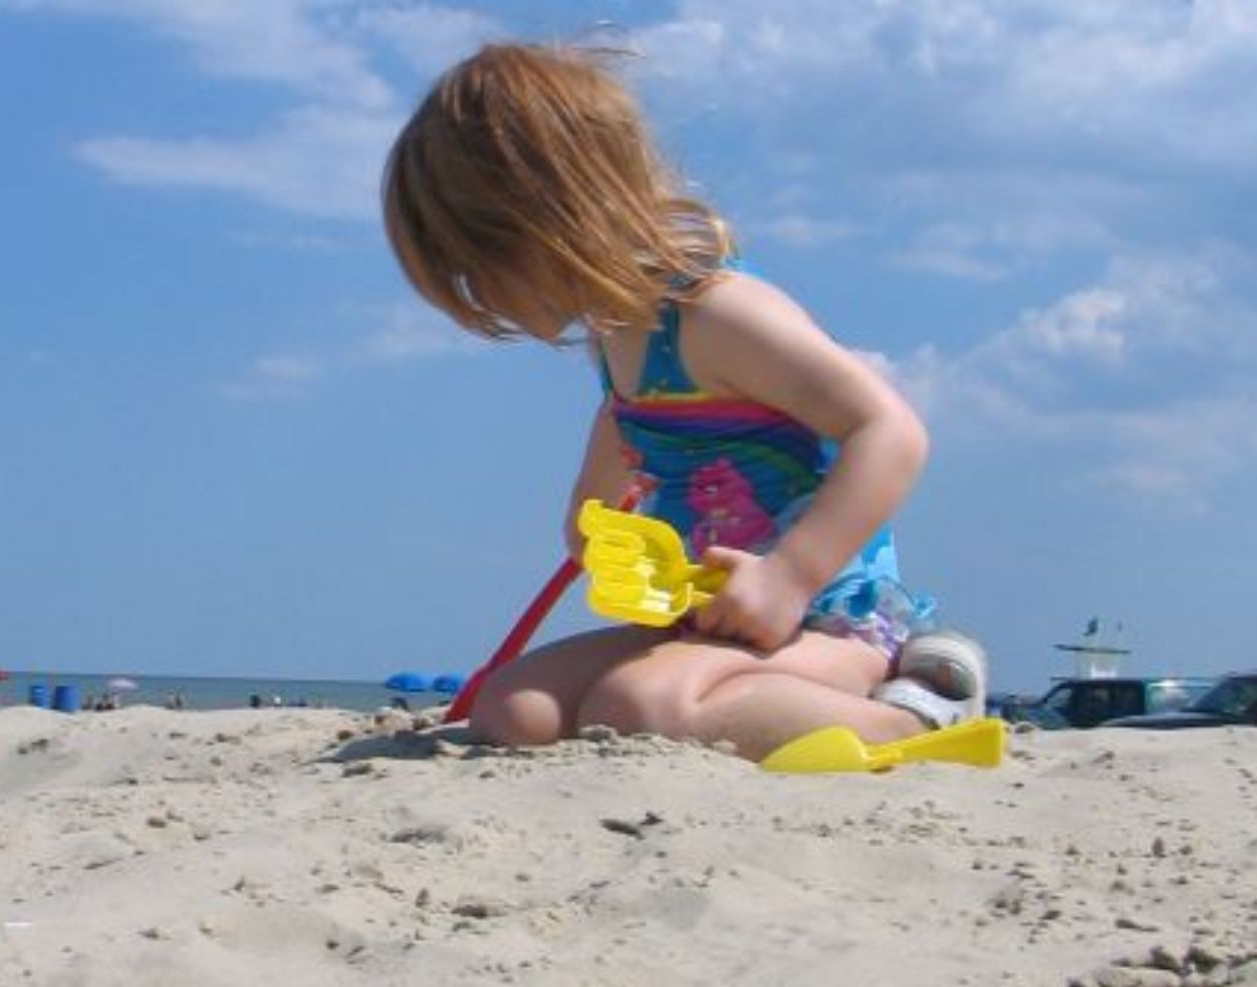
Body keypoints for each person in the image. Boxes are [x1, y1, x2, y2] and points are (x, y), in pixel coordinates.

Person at [381, 43, 986, 761]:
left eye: (478, 268)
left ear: (551, 220)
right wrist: (601, 537)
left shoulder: (718, 314)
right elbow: (612, 468)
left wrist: (789, 576)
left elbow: (888, 429)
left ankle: (921, 711)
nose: (479, 297)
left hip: (825, 622)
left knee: (637, 704)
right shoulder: (617, 343)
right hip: (700, 619)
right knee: (513, 708)